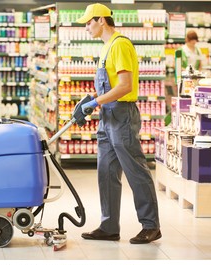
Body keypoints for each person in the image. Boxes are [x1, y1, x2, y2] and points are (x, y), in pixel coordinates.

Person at [77, 3, 161, 244]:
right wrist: (92, 99)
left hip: (122, 115)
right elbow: (111, 85)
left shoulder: (120, 44)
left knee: (135, 171)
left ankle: (150, 225)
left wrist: (96, 102)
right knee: (106, 172)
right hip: (107, 116)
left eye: (88, 22)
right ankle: (109, 226)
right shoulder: (106, 48)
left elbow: (125, 86)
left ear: (101, 20)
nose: (86, 27)